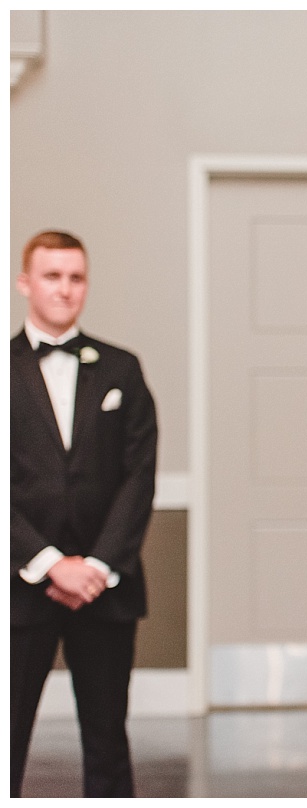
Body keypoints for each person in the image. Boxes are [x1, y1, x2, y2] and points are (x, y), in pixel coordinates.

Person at [11, 230, 158, 797]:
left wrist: (95, 565)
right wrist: (51, 564)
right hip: (22, 586)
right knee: (9, 736)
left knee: (107, 739)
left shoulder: (121, 368)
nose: (65, 289)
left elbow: (139, 476)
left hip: (106, 588)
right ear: (26, 282)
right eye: (52, 276)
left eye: (76, 278)